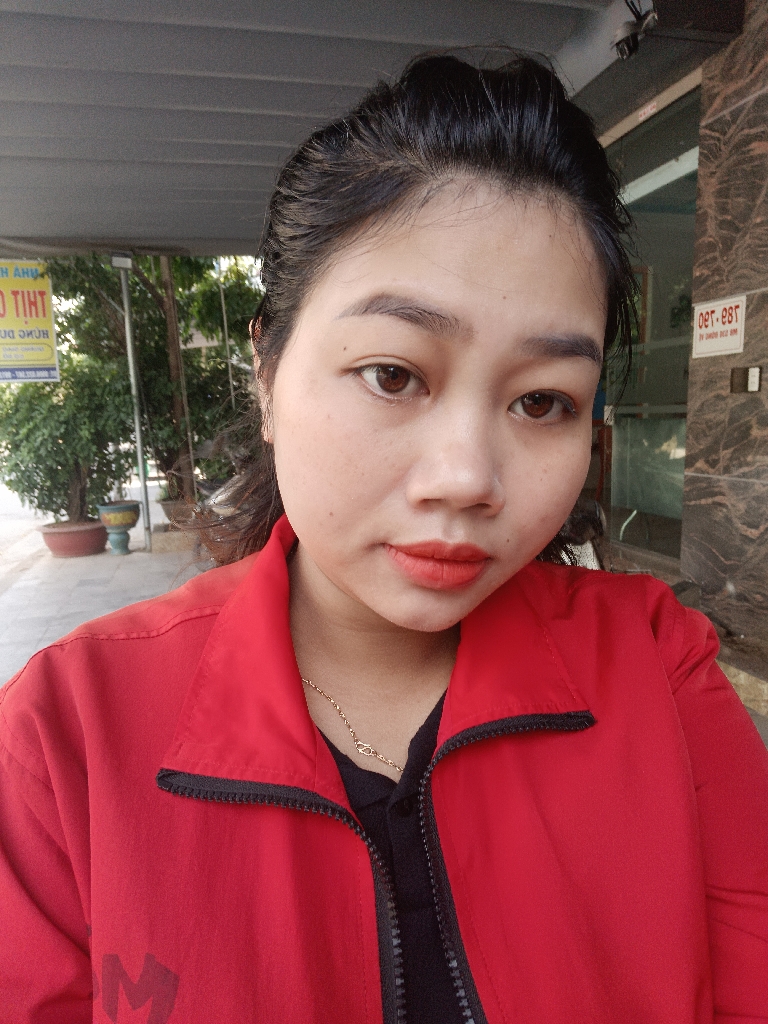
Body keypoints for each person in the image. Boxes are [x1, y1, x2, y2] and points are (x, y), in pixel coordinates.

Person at [1, 54, 767, 1024]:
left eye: (542, 401)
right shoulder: (65, 740)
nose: (467, 477)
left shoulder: (660, 668)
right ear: (267, 372)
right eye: (393, 374)